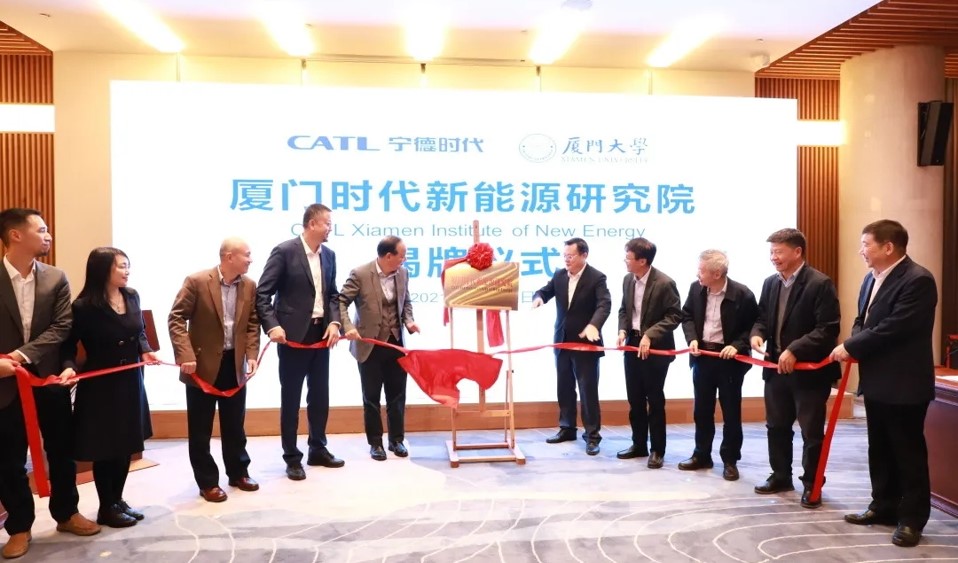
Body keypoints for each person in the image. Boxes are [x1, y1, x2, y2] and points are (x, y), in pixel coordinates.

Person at [0, 208, 99, 560]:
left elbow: (61, 327)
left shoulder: (56, 278)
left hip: (48, 379)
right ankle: (19, 527)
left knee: (61, 450)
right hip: (4, 384)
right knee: (8, 459)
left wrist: (19, 356)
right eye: (41, 230)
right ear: (16, 235)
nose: (48, 236)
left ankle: (67, 513)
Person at [832, 220, 937, 548]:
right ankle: (883, 505)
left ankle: (911, 520)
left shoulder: (918, 280)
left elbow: (896, 327)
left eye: (866, 244)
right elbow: (862, 320)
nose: (861, 251)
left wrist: (852, 346)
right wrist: (854, 341)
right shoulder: (870, 278)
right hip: (876, 381)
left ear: (888, 247)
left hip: (905, 384)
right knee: (879, 449)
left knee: (907, 453)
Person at [59, 247, 157, 528]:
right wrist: (69, 367)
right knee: (107, 446)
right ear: (103, 270)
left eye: (128, 265)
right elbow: (68, 345)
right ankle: (106, 506)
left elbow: (139, 330)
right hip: (101, 385)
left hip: (131, 379)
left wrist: (146, 349)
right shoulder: (84, 306)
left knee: (127, 443)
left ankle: (117, 499)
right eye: (121, 266)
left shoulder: (132, 295)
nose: (127, 271)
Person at [750, 228, 840, 509]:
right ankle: (780, 475)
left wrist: (795, 349)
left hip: (809, 373)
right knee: (776, 426)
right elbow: (762, 318)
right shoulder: (770, 283)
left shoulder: (820, 283)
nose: (773, 257)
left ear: (797, 252)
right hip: (776, 369)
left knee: (811, 432)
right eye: (771, 252)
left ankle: (812, 483)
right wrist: (757, 334)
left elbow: (828, 328)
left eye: (778, 252)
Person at [168, 238, 261, 503]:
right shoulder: (197, 281)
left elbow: (252, 323)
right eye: (247, 254)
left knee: (235, 425)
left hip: (234, 364)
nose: (251, 259)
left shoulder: (249, 285)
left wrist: (251, 355)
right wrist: (185, 355)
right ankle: (207, 481)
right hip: (201, 367)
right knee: (201, 429)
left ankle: (238, 472)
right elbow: (176, 318)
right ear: (229, 257)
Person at [256, 203, 343, 480]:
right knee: (291, 398)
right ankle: (292, 457)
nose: (330, 229)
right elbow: (263, 294)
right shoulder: (285, 251)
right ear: (312, 224)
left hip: (321, 336)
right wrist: (273, 326)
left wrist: (334, 322)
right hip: (292, 337)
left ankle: (318, 448)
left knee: (320, 396)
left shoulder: (329, 255)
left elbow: (332, 295)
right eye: (327, 223)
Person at [678, 249, 758, 481]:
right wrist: (692, 338)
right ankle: (701, 454)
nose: (697, 274)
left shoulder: (742, 294)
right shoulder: (696, 288)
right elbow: (687, 316)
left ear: (716, 273)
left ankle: (730, 460)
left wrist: (738, 345)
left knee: (731, 412)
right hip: (703, 356)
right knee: (702, 410)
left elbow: (754, 326)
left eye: (701, 270)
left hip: (729, 361)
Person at [338, 236, 419, 461]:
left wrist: (409, 321)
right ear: (388, 256)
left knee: (397, 395)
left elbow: (406, 302)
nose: (404, 260)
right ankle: (375, 443)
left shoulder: (403, 273)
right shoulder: (360, 274)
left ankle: (396, 440)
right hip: (369, 345)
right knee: (371, 397)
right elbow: (341, 301)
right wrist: (348, 327)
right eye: (401, 255)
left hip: (395, 343)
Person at [532, 237, 611, 456]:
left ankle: (592, 436)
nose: (566, 260)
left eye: (571, 256)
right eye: (564, 256)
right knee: (564, 386)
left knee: (587, 391)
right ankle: (567, 428)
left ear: (584, 255)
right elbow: (545, 291)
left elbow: (604, 305)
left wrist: (594, 325)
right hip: (562, 340)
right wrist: (539, 297)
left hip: (586, 343)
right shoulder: (559, 275)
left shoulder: (596, 277)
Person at [615, 237, 681, 469]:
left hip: (656, 349)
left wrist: (650, 334)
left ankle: (657, 450)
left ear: (642, 260)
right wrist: (623, 330)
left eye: (628, 257)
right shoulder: (627, 279)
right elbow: (624, 310)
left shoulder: (664, 283)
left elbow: (674, 316)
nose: (625, 261)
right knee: (635, 399)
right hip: (632, 345)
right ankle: (639, 444)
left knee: (654, 399)